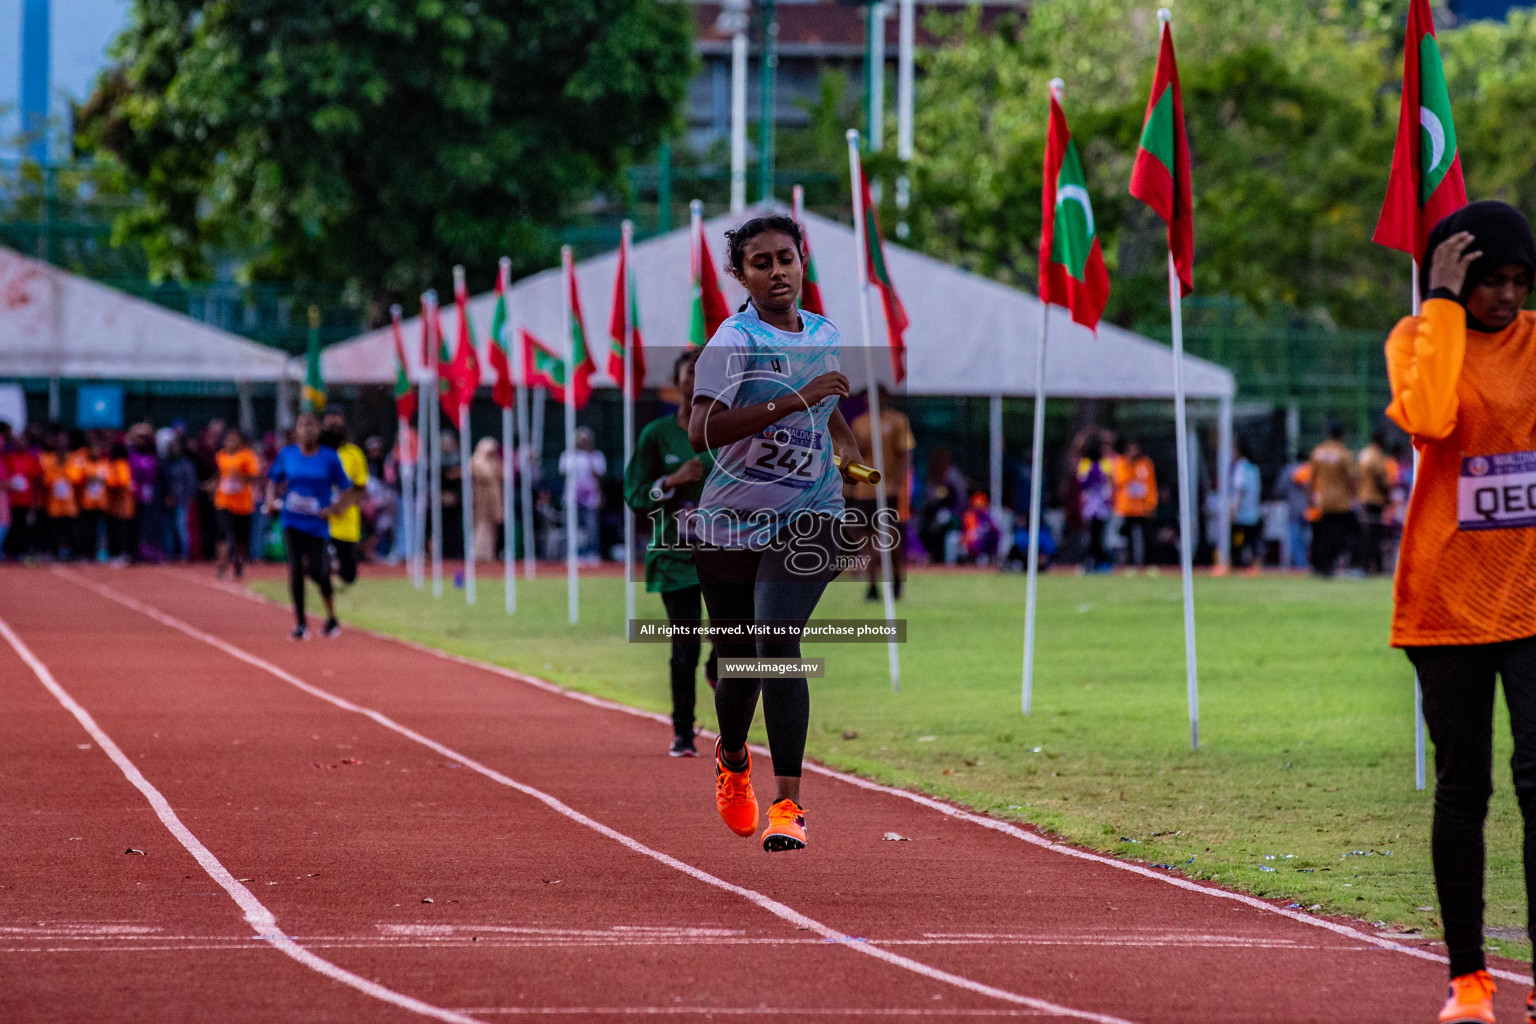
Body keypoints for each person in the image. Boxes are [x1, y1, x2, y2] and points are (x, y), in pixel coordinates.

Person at [1384, 201, 1536, 1024]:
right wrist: (1442, 310)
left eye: (1520, 281)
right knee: (1464, 789)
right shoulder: (1415, 341)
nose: (1507, 297)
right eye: (1489, 283)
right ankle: (1469, 982)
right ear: (1454, 279)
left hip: (1531, 595)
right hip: (1445, 602)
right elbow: (1432, 418)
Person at [686, 213, 863, 853]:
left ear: (802, 260)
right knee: (739, 667)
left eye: (785, 258)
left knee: (776, 641)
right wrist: (791, 400)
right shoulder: (733, 341)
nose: (776, 271)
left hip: (812, 514)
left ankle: (788, 805)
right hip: (730, 522)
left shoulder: (825, 333)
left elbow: (827, 406)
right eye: (760, 263)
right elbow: (700, 431)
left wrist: (848, 454)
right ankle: (733, 759)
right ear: (742, 275)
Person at [624, 348, 721, 757]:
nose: (696, 378)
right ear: (678, 381)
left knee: (733, 639)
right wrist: (671, 480)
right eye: (689, 372)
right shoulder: (656, 435)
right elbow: (635, 494)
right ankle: (683, 732)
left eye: (704, 372)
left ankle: (717, 669)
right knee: (685, 647)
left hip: (724, 553)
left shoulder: (726, 431)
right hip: (675, 555)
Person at [265, 413, 358, 639]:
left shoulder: (329, 457)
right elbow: (272, 480)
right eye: (302, 426)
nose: (307, 430)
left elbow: (348, 488)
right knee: (296, 570)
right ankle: (300, 624)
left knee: (320, 572)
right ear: (296, 431)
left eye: (311, 426)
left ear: (318, 430)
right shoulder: (287, 454)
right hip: (292, 521)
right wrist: (270, 501)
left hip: (317, 525)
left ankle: (331, 617)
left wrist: (334, 508)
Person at [846, 385, 914, 599]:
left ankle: (895, 579)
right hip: (864, 491)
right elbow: (851, 454)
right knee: (864, 539)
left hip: (886, 490)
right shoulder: (860, 423)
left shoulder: (897, 420)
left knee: (889, 537)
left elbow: (905, 453)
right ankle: (872, 585)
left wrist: (897, 482)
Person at [320, 411, 370, 585]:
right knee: (319, 566)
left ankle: (335, 569)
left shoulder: (353, 454)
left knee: (349, 574)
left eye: (337, 426)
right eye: (329, 426)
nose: (333, 430)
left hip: (345, 521)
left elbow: (360, 487)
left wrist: (340, 506)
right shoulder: (317, 453)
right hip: (321, 521)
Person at [1307, 425, 1357, 577]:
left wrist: (1311, 495)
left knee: (1323, 534)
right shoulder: (1343, 453)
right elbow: (1351, 478)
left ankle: (1321, 566)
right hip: (1341, 502)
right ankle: (1333, 564)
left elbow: (1312, 477)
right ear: (1341, 436)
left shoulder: (1318, 452)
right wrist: (1354, 495)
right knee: (1340, 535)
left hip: (1323, 501)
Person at [212, 427, 261, 579]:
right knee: (224, 534)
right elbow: (218, 476)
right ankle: (222, 565)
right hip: (224, 502)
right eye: (229, 438)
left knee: (241, 539)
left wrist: (239, 475)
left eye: (234, 438)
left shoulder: (247, 456)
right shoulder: (220, 456)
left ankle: (239, 562)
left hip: (243, 505)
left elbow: (254, 477)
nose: (231, 441)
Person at [559, 426, 606, 564]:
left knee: (592, 528)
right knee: (571, 528)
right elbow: (565, 473)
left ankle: (592, 553)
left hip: (591, 499)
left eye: (586, 440)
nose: (583, 442)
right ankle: (571, 553)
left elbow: (599, 475)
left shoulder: (597, 456)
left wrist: (589, 457)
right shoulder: (567, 455)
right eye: (581, 440)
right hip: (572, 498)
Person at [1113, 438, 1157, 570]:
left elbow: (1150, 484)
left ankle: (1148, 564)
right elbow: (1120, 480)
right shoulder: (1121, 462)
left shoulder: (1145, 463)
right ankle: (1130, 564)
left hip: (1143, 508)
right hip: (1127, 508)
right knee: (1129, 538)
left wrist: (1151, 504)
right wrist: (1130, 465)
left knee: (1147, 537)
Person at [1076, 436, 1114, 573]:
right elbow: (1082, 483)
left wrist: (1108, 500)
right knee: (1089, 534)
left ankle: (1101, 561)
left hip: (1102, 503)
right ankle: (1089, 560)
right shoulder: (1085, 463)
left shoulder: (1105, 463)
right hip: (1090, 503)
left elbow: (1109, 482)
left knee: (1100, 534)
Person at [1356, 431, 1392, 575]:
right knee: (1374, 534)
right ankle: (1374, 566)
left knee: (1367, 532)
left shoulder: (1364, 453)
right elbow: (1380, 477)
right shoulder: (1377, 455)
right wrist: (1387, 493)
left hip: (1364, 497)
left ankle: (1369, 565)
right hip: (1375, 498)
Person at [160, 436, 199, 561]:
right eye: (171, 447)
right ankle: (169, 553)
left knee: (181, 527)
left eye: (175, 447)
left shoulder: (186, 464)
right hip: (168, 500)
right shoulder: (165, 463)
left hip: (182, 500)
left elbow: (191, 482)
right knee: (168, 528)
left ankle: (184, 554)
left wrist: (189, 498)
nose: (173, 450)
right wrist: (166, 496)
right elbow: (163, 482)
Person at [1229, 442, 1263, 571]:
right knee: (1251, 539)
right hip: (1253, 511)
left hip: (1242, 512)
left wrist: (1234, 509)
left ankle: (1235, 564)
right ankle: (1255, 564)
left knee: (1237, 539)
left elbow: (1240, 489)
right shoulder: (1254, 468)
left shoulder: (1240, 468)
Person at [470, 436, 504, 563]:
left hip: (494, 498)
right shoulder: (477, 461)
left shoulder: (495, 461)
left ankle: (489, 554)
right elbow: (485, 474)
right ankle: (478, 554)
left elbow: (502, 473)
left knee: (492, 527)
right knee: (481, 525)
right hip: (481, 498)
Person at [104, 440, 136, 564]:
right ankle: (115, 553)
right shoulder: (114, 464)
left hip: (122, 506)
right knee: (115, 531)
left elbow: (122, 481)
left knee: (121, 531)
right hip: (115, 506)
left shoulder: (121, 464)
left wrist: (108, 482)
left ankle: (122, 554)